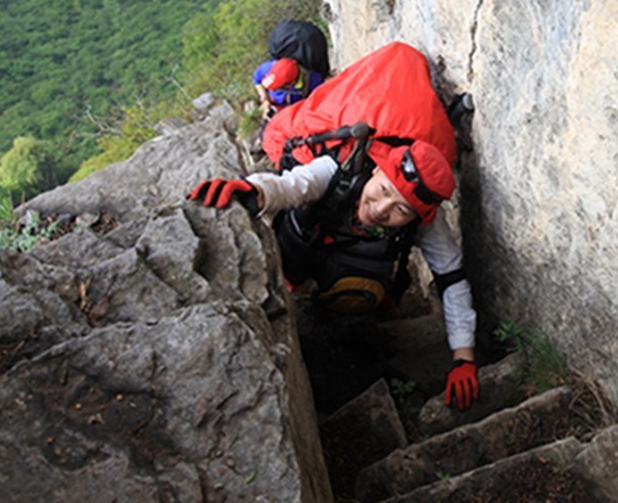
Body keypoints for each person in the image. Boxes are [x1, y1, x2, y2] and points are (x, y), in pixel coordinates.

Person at [187, 136, 480, 411]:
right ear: (377, 169)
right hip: (304, 247)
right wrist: (253, 190)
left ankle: (332, 309)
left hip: (345, 261)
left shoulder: (426, 220)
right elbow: (293, 185)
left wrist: (463, 358)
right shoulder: (340, 167)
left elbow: (451, 277)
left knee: (362, 289)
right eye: (384, 190)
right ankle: (298, 285)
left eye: (401, 211)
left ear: (417, 216)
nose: (381, 209)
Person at [253, 57, 326, 121]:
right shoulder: (268, 68)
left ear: (291, 83)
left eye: (279, 87)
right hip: (274, 103)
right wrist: (265, 100)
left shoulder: (313, 81)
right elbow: (257, 79)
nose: (274, 90)